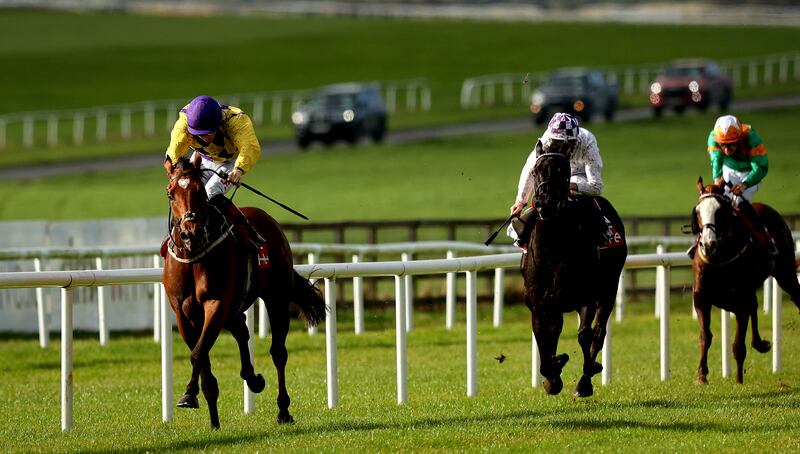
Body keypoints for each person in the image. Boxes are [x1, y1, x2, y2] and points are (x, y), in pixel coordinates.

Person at [163, 95, 264, 249]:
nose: (205, 137)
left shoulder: (236, 120)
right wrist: (171, 164)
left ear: (218, 123)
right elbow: (176, 144)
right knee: (186, 192)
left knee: (212, 192)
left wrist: (238, 170)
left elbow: (250, 146)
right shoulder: (185, 120)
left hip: (231, 162)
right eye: (200, 134)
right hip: (202, 158)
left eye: (209, 133)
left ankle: (249, 231)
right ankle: (173, 236)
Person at [507, 112, 607, 250]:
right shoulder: (547, 139)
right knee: (543, 194)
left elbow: (597, 186)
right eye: (557, 143)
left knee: (576, 195)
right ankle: (522, 236)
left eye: (564, 144)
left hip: (580, 175)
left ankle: (601, 231)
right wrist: (520, 201)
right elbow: (530, 169)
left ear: (573, 141)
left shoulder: (587, 142)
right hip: (556, 174)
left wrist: (568, 186)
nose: (559, 148)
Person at [700, 114, 775, 256]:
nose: (727, 149)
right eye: (723, 145)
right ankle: (702, 239)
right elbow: (716, 160)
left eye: (731, 144)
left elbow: (760, 168)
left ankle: (766, 239)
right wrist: (717, 180)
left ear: (739, 139)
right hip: (729, 169)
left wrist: (745, 185)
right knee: (718, 201)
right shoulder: (713, 137)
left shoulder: (751, 139)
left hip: (751, 172)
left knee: (739, 201)